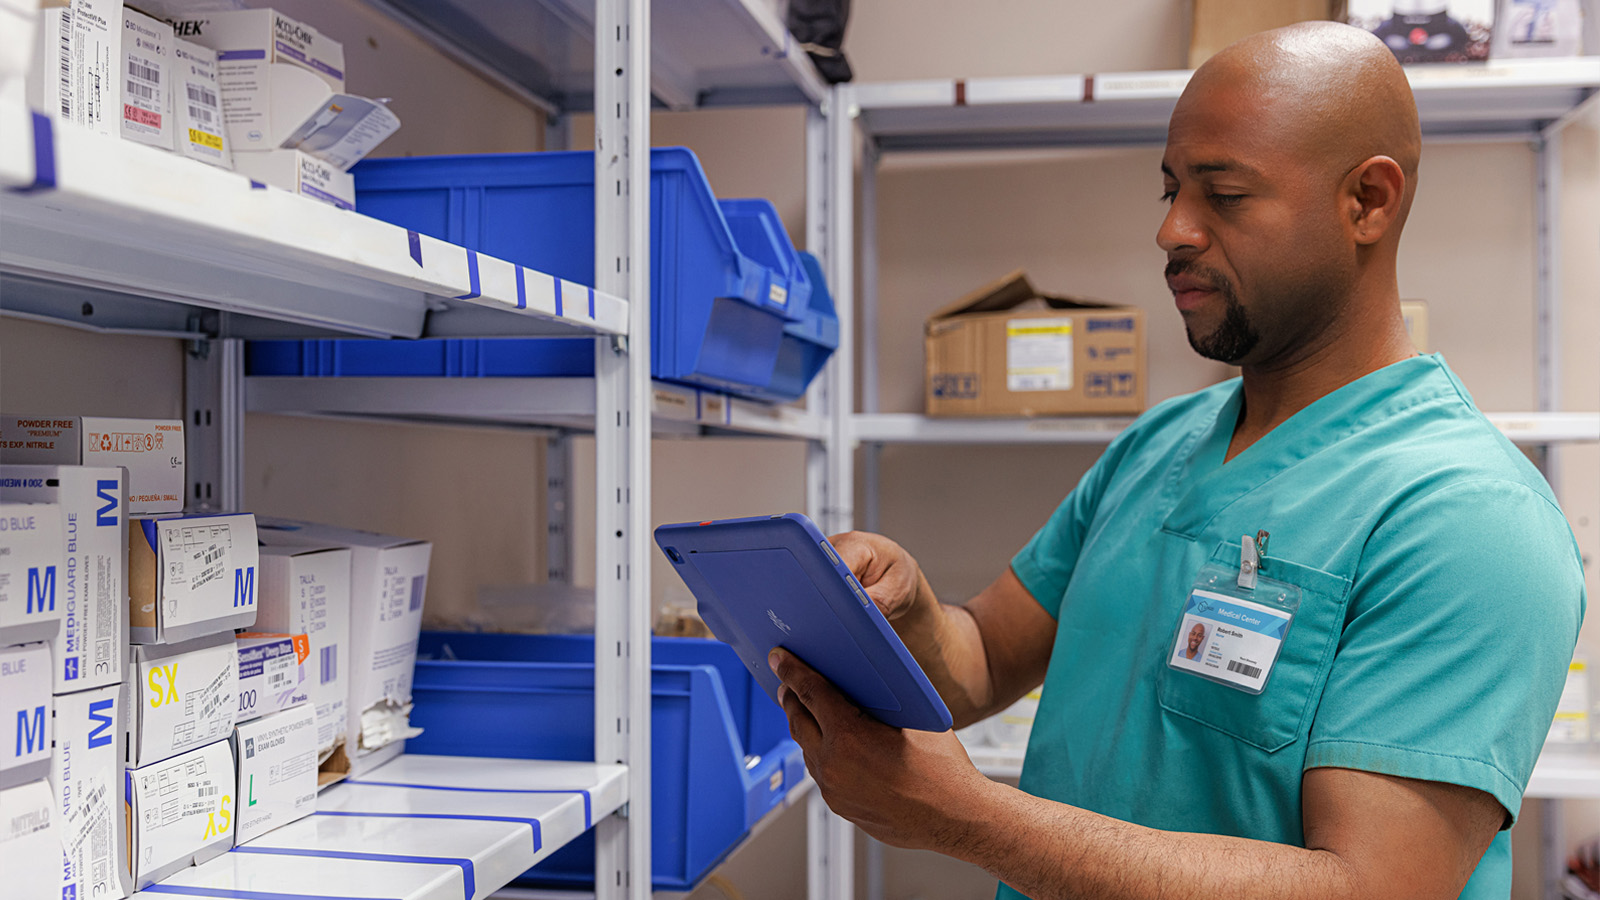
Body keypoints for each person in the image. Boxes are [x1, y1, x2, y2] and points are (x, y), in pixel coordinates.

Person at [768, 21, 1586, 900]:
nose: (1171, 230)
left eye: (1223, 195)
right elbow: (981, 660)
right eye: (1169, 190)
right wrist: (905, 606)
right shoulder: (1160, 445)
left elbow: (1373, 886)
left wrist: (965, 816)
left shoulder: (1469, 516)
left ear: (1368, 202)